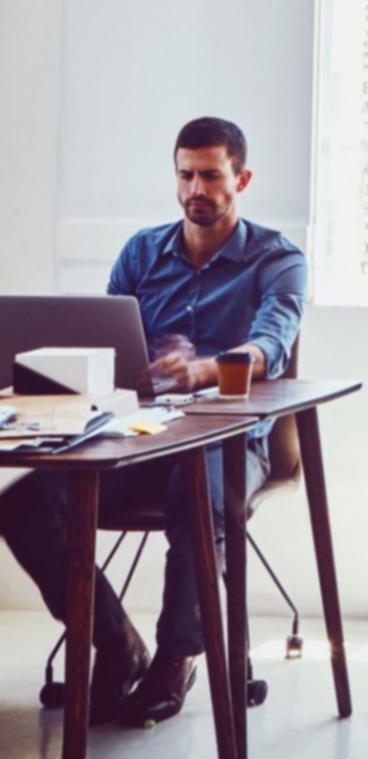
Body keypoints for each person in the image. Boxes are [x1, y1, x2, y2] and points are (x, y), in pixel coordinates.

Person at [0, 116, 304, 728]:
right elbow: (107, 344)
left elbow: (271, 344)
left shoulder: (277, 258)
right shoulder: (142, 252)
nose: (197, 189)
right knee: (24, 505)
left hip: (228, 440)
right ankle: (116, 645)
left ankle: (176, 658)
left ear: (241, 179)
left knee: (196, 497)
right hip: (139, 438)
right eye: (186, 175)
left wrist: (205, 370)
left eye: (211, 175)